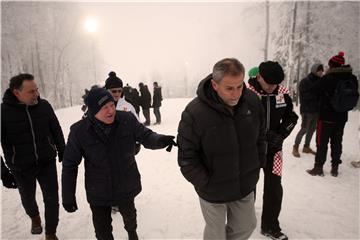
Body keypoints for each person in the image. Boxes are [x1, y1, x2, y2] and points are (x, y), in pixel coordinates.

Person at [61, 87, 176, 240]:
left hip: (126, 182)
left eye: (111, 105)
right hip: (98, 189)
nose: (110, 111)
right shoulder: (79, 131)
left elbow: (145, 135)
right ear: (93, 111)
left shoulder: (126, 119)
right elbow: (70, 165)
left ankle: (132, 232)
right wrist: (68, 196)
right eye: (104, 108)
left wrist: (160, 140)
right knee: (102, 231)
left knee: (130, 216)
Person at [177, 58, 266, 240]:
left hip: (244, 183)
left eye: (240, 86)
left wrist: (257, 164)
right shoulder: (194, 113)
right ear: (215, 85)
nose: (236, 94)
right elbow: (186, 157)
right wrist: (205, 181)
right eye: (229, 88)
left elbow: (261, 136)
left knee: (247, 226)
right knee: (215, 235)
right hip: (212, 189)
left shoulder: (252, 102)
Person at [1, 73, 65, 240]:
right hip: (21, 167)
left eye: (36, 90)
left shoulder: (44, 106)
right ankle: (34, 217)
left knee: (52, 200)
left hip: (46, 161)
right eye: (31, 92)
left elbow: (56, 129)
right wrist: (3, 172)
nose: (36, 94)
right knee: (28, 199)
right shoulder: (3, 113)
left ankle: (51, 233)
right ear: (16, 93)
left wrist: (63, 151)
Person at [248, 61, 298, 240]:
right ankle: (244, 222)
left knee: (274, 188)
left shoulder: (282, 93)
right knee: (248, 187)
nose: (272, 88)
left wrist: (281, 134)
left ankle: (270, 226)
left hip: (274, 152)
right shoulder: (246, 94)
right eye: (269, 83)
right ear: (259, 76)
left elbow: (292, 117)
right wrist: (258, 136)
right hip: (251, 151)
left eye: (276, 84)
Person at [307, 52, 359, 177]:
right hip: (342, 117)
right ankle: (335, 168)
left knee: (322, 142)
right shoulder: (352, 78)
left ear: (331, 65)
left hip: (326, 117)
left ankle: (318, 167)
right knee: (337, 142)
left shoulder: (328, 78)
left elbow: (313, 90)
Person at [292, 63, 324, 157]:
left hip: (317, 110)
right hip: (307, 110)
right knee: (304, 129)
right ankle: (295, 147)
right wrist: (316, 93)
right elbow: (303, 96)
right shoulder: (305, 81)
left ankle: (306, 147)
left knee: (312, 129)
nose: (321, 72)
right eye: (319, 70)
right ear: (314, 70)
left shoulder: (322, 81)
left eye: (322, 70)